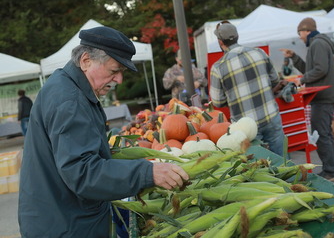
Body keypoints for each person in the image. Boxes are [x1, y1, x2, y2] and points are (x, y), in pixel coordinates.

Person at [18, 26, 189, 237]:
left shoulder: (68, 86)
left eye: (121, 72)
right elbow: (82, 173)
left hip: (59, 215)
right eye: (113, 70)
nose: (119, 80)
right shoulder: (69, 101)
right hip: (64, 225)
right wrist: (147, 173)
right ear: (86, 61)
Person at [209, 21, 285, 157]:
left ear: (220, 42)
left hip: (244, 127)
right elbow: (275, 81)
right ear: (237, 36)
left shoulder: (218, 67)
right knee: (282, 162)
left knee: (260, 170)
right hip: (270, 116)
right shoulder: (259, 53)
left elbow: (217, 102)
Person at [280, 17, 334, 182]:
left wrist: (302, 79)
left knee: (322, 133)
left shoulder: (318, 43)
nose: (300, 37)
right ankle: (331, 169)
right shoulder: (317, 43)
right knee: (324, 132)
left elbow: (320, 70)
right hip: (322, 96)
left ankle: (331, 171)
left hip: (323, 97)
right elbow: (311, 69)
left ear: (306, 30)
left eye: (300, 33)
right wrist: (294, 57)